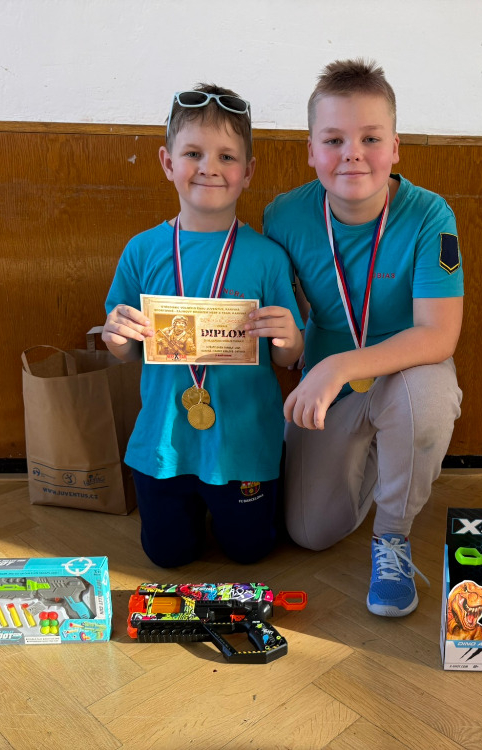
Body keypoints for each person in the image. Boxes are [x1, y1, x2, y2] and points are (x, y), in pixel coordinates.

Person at [263, 59, 463, 617]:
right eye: (334, 140)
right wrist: (305, 355)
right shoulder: (283, 216)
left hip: (405, 376)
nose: (352, 154)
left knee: (428, 397)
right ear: (311, 150)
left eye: (370, 138)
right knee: (310, 533)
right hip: (331, 390)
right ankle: (376, 452)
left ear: (394, 147)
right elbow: (292, 323)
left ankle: (392, 534)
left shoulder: (429, 215)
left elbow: (439, 335)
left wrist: (338, 365)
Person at [102, 84, 303, 568]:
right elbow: (125, 350)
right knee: (167, 557)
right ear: (167, 162)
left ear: (247, 172)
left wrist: (290, 338)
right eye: (193, 153)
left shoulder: (267, 257)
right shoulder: (142, 251)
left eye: (226, 156)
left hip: (244, 444)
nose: (209, 167)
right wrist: (117, 336)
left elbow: (287, 358)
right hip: (165, 443)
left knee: (250, 552)